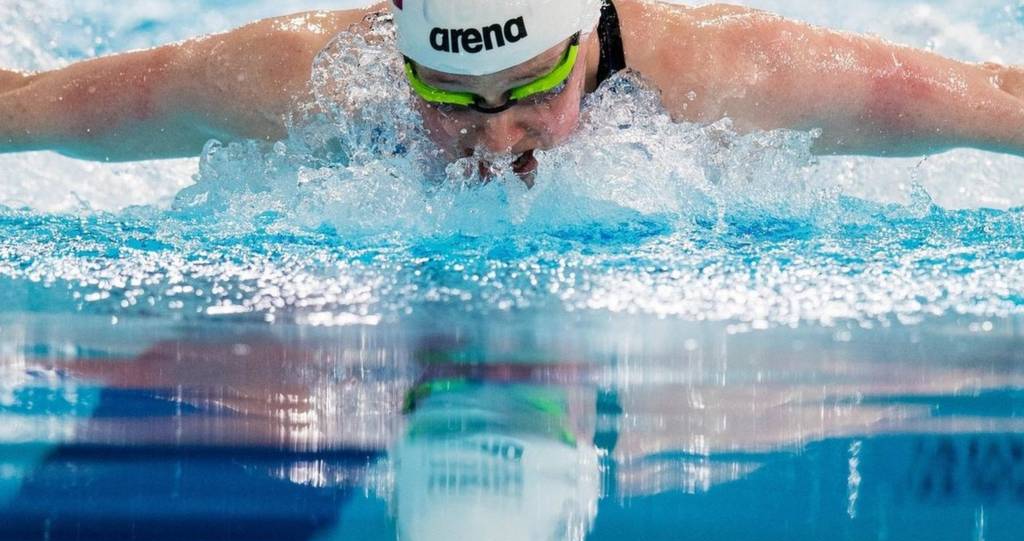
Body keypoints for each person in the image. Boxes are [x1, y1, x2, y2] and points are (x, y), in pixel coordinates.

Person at [1, 0, 1022, 178]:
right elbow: (22, 103)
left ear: (585, 44)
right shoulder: (299, 81)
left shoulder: (732, 77)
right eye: (448, 98)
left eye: (530, 91)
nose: (497, 145)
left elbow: (994, 98)